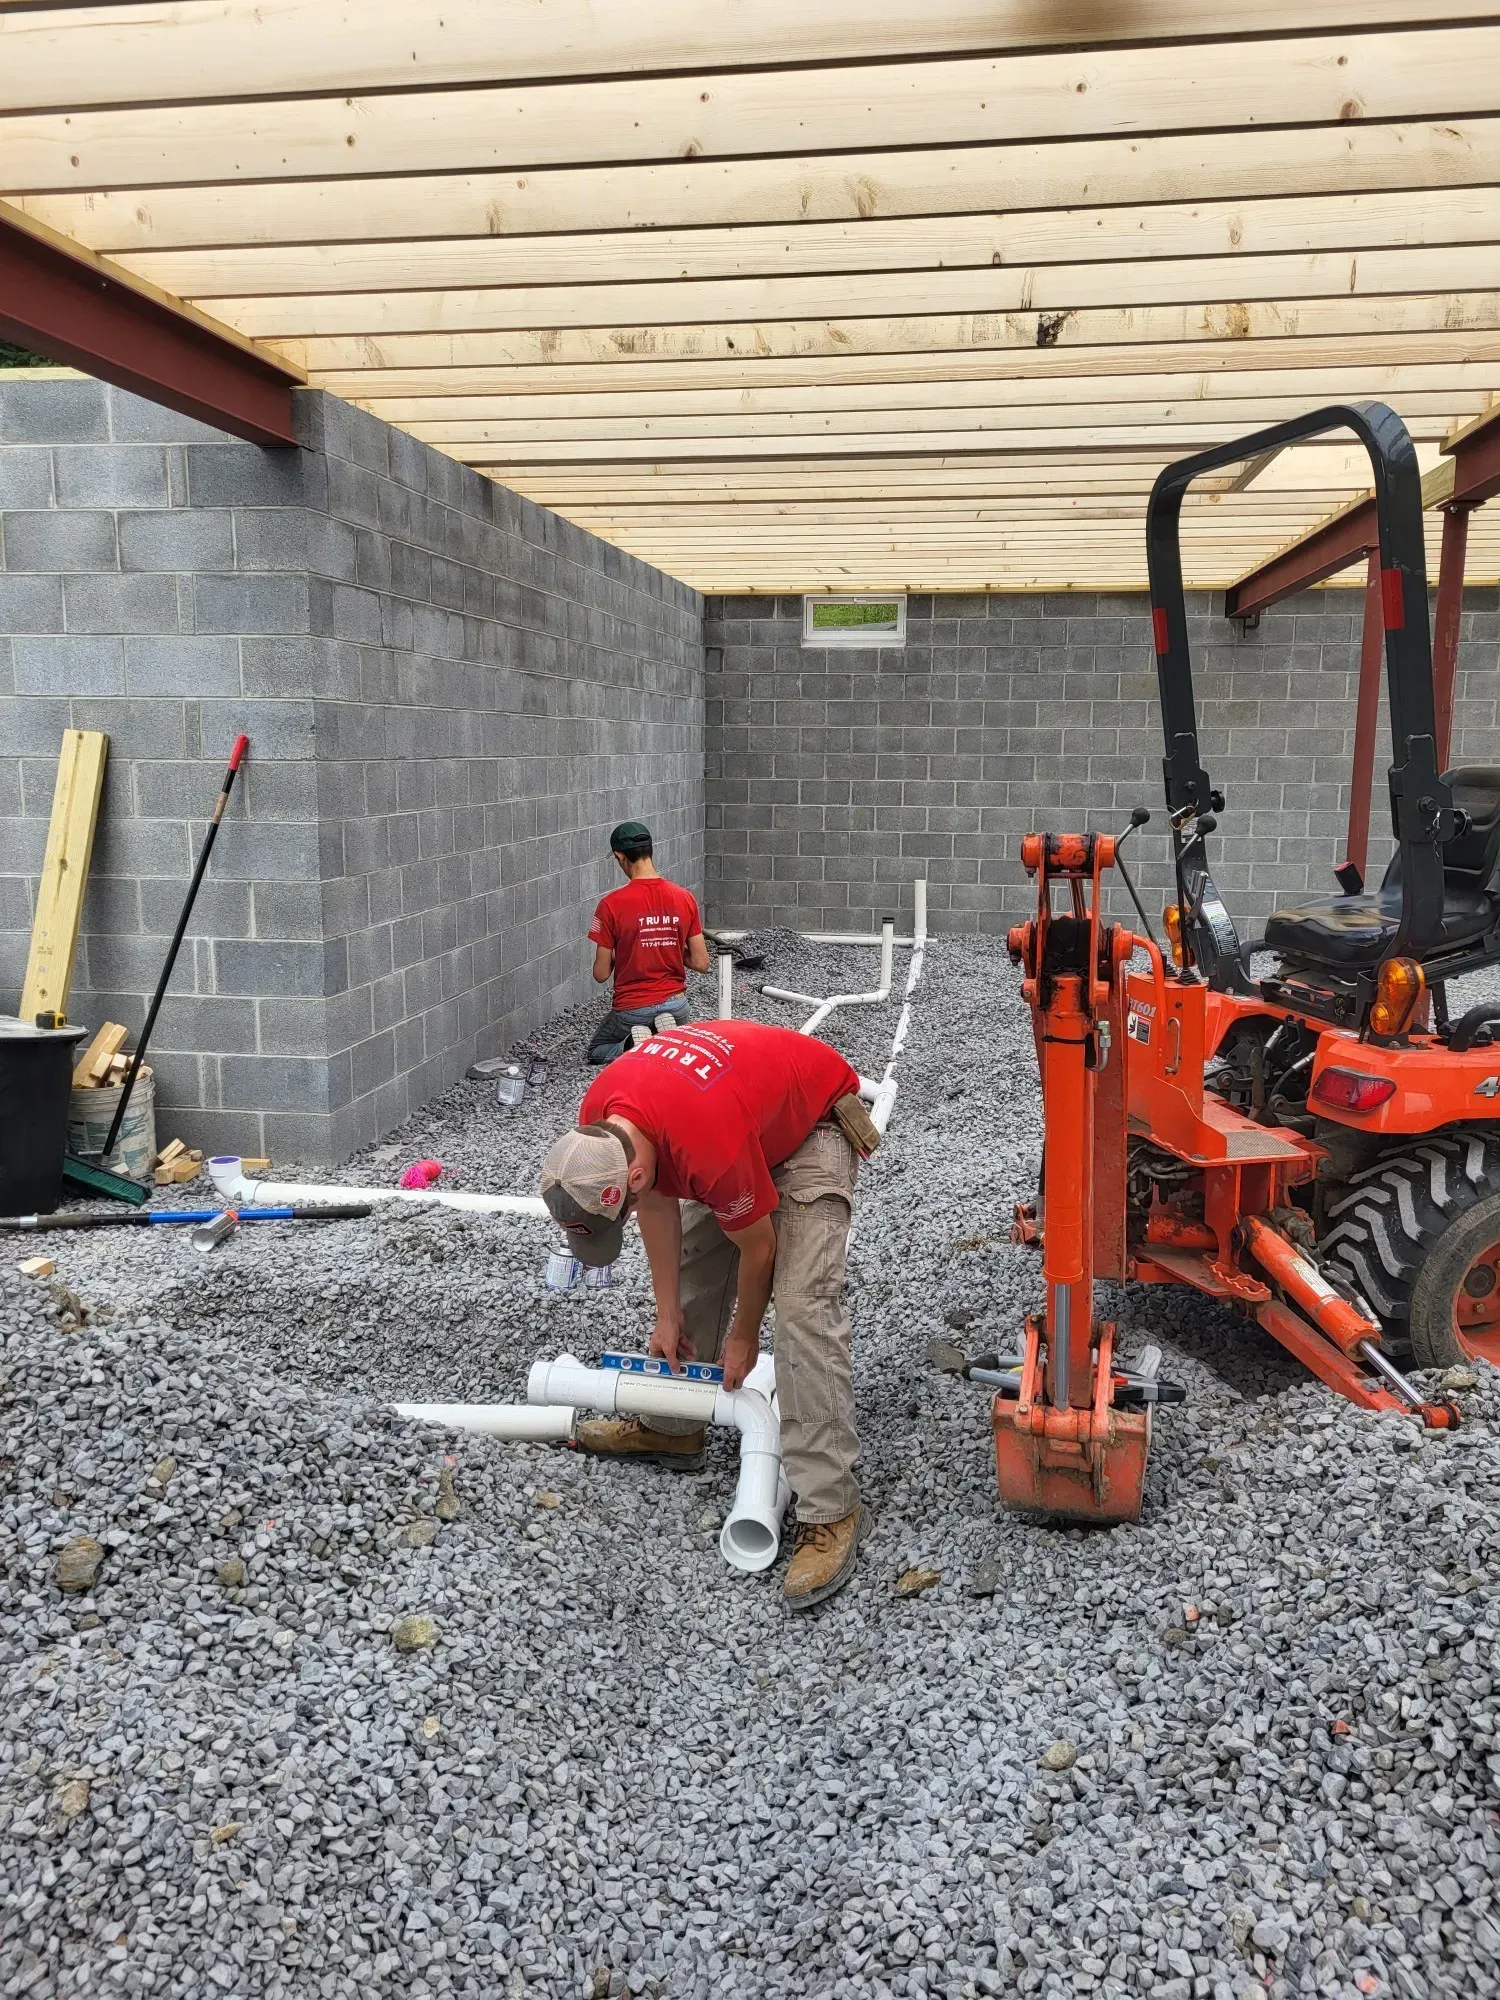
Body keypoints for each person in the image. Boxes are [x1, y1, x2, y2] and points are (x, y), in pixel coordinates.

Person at [539, 1019, 881, 1610]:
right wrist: (666, 1314)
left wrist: (745, 1337)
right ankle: (673, 1428)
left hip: (810, 1129)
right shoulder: (600, 1123)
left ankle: (832, 1508)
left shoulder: (704, 1144)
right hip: (741, 1118)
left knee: (802, 1309)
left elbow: (759, 1249)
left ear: (634, 1175)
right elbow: (656, 1204)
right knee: (696, 1270)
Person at [585, 820, 711, 1064]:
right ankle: (661, 1037)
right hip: (676, 1004)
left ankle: (633, 1045)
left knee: (596, 1050)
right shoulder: (684, 897)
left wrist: (624, 949)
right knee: (663, 1036)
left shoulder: (611, 904)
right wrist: (669, 945)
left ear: (620, 857)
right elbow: (702, 962)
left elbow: (600, 974)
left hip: (632, 1009)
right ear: (650, 851)